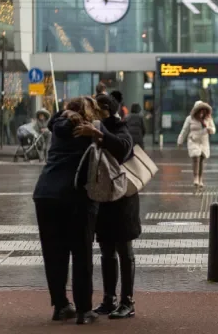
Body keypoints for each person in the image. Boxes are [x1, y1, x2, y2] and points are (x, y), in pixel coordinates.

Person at [32, 97, 101, 325]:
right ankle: (84, 310)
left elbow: (53, 121)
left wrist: (62, 112)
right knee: (81, 255)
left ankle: (60, 305)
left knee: (54, 254)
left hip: (45, 193)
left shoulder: (56, 129)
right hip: (74, 196)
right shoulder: (86, 131)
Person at [76, 94, 140, 320]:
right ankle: (109, 299)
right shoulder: (92, 127)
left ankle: (127, 301)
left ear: (105, 110)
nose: (92, 112)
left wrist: (99, 134)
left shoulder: (119, 127)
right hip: (103, 200)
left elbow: (124, 148)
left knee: (124, 250)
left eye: (97, 109)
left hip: (123, 200)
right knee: (106, 251)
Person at [177, 101, 216, 188]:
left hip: (203, 142)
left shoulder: (208, 118)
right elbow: (184, 130)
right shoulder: (189, 119)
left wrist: (209, 129)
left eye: (203, 111)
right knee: (196, 158)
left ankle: (200, 179)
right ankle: (196, 178)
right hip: (193, 140)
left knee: (202, 159)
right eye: (199, 111)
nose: (201, 113)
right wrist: (180, 140)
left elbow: (213, 129)